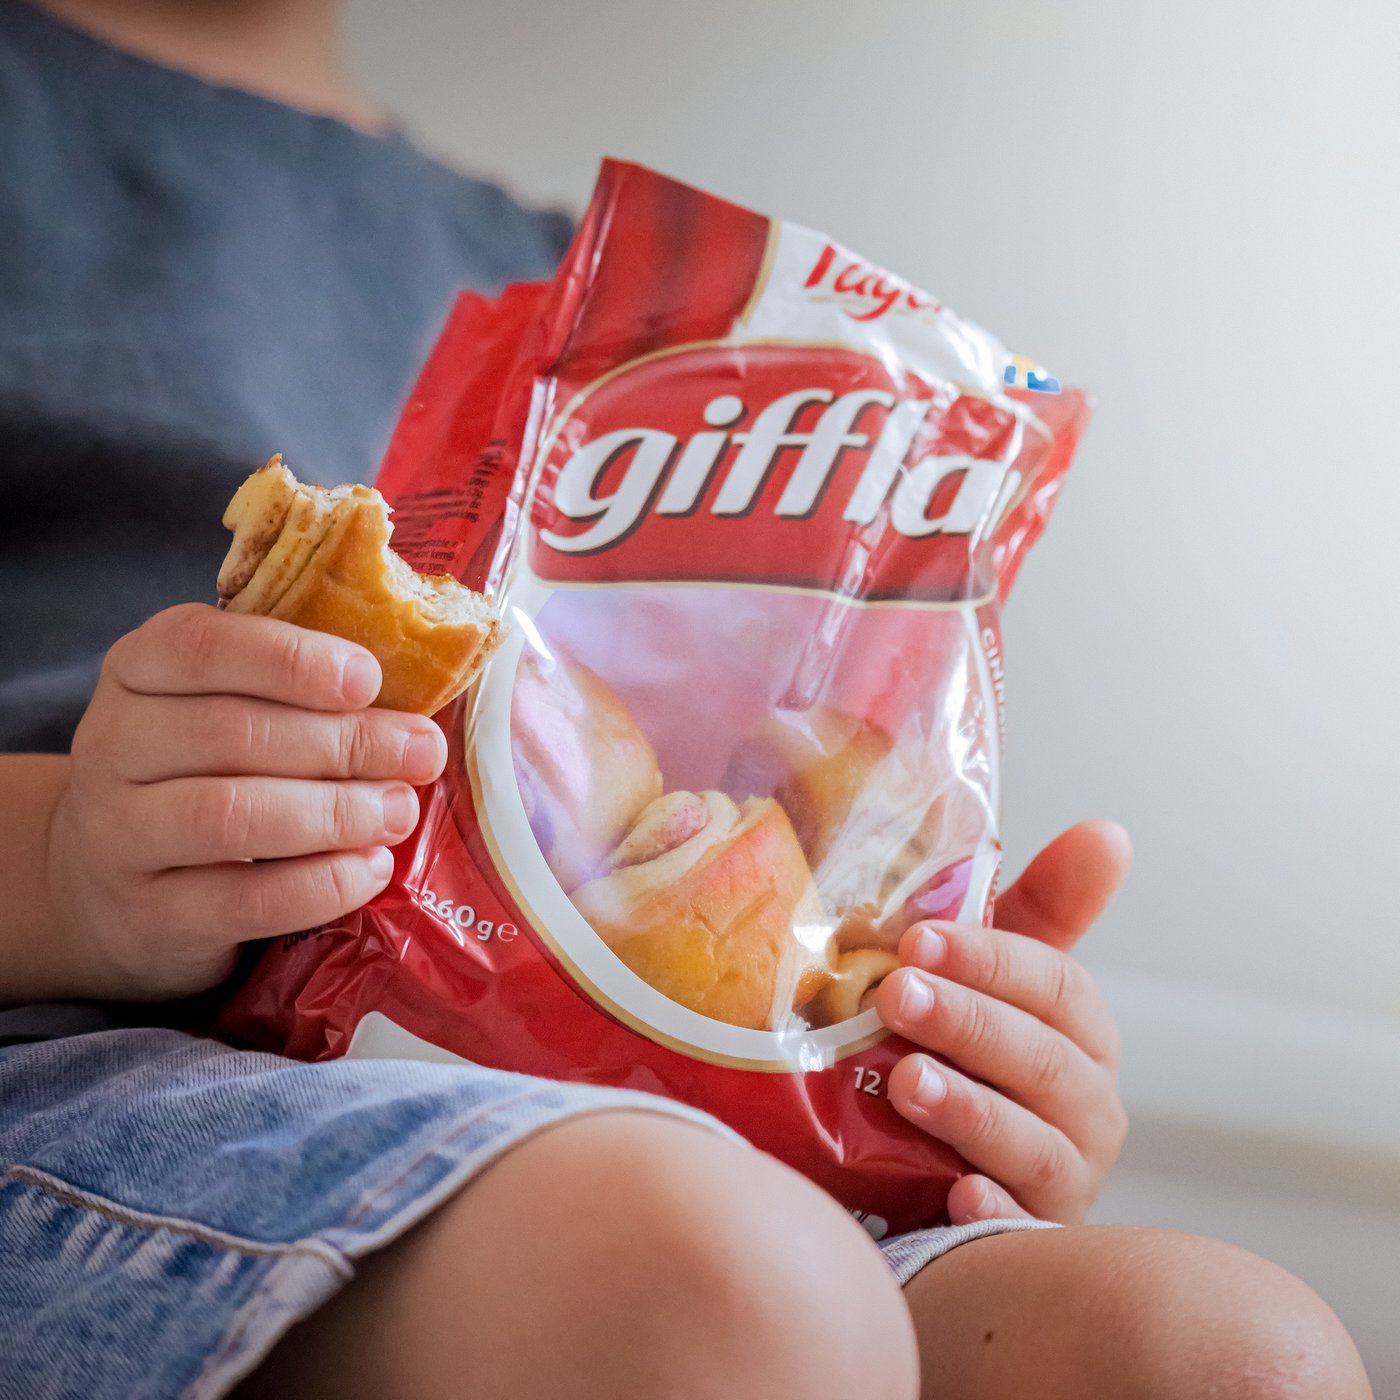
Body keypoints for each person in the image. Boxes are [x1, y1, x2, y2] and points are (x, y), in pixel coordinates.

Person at [0, 2, 1373, 1397]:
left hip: (619, 1135)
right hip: (76, 1078)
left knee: (1224, 1352)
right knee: (726, 1290)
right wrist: (61, 867)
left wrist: (905, 1059)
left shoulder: (611, 301)